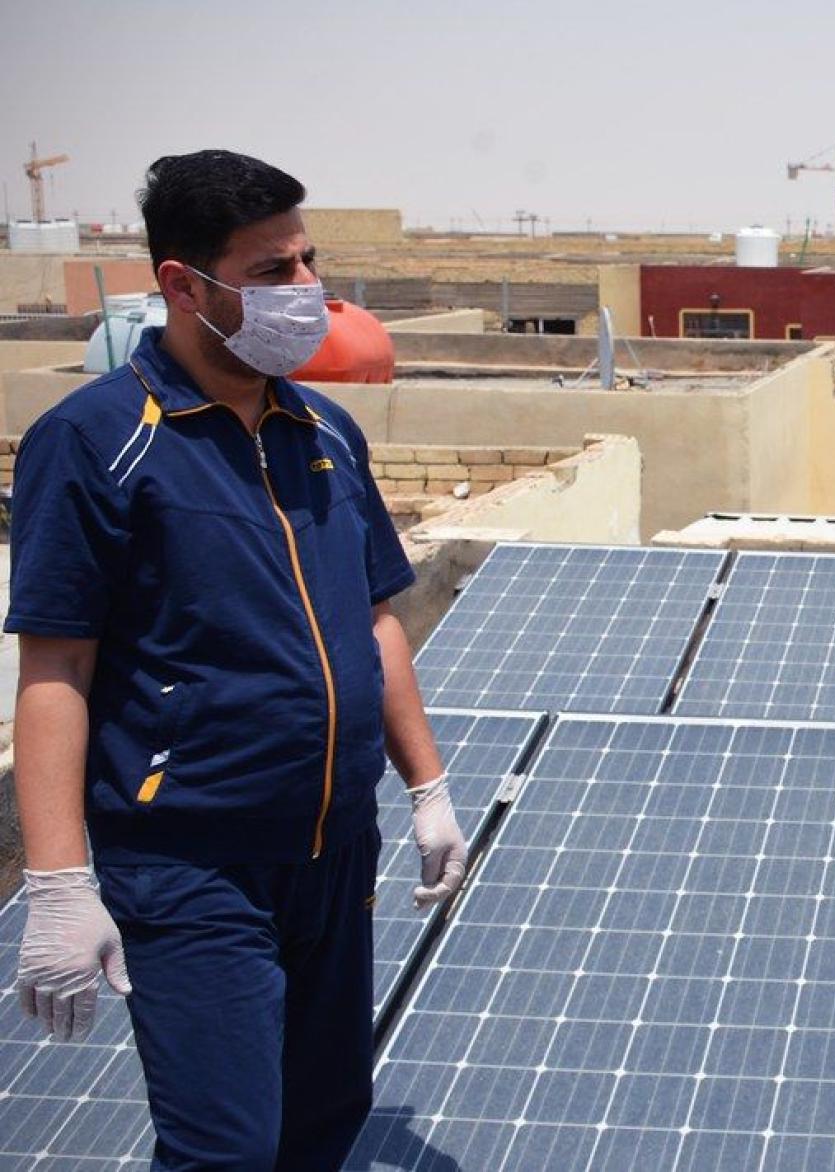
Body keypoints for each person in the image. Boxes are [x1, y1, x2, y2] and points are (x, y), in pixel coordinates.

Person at [7, 149, 469, 1171]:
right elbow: (56, 670)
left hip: (335, 848)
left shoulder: (325, 434)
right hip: (191, 861)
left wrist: (426, 785)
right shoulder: (96, 443)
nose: (305, 293)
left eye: (307, 262)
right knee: (225, 1146)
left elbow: (376, 619)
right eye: (271, 272)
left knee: (323, 1117)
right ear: (183, 285)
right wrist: (55, 880)